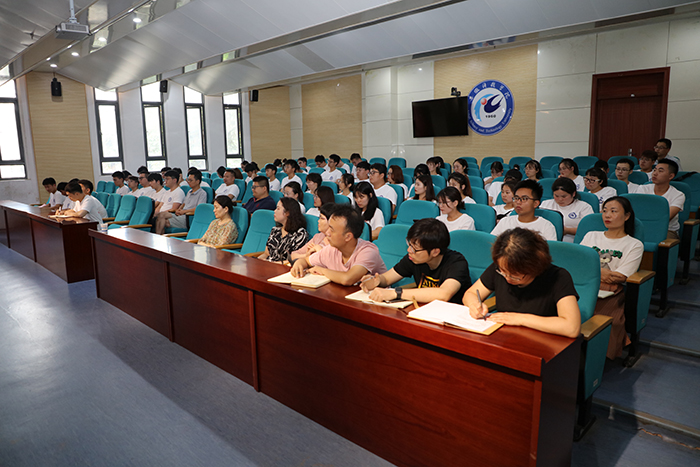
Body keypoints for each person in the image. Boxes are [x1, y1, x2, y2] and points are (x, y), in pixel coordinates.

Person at [463, 228, 581, 338]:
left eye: (515, 276)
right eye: (503, 272)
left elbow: (571, 328)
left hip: (543, 340)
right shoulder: (501, 267)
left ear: (534, 268)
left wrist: (520, 319)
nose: (507, 278)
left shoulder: (558, 277)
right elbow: (471, 293)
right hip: (504, 337)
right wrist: (474, 305)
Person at [580, 197, 643, 359]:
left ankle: (595, 358)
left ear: (627, 216)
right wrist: (603, 273)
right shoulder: (591, 236)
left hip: (610, 292)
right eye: (605, 211)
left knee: (603, 321)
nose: (607, 215)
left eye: (613, 211)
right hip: (583, 286)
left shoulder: (634, 244)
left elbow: (619, 277)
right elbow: (579, 265)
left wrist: (592, 271)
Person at [361, 218, 471, 304]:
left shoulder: (457, 262)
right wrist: (376, 280)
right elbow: (387, 278)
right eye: (409, 244)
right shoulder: (413, 258)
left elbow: (443, 294)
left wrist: (396, 293)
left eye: (415, 248)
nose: (409, 250)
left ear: (435, 252)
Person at [290, 204, 386, 285]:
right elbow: (306, 261)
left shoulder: (368, 251)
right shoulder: (332, 249)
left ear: (348, 237)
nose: (327, 233)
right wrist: (299, 264)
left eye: (332, 230)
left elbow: (347, 279)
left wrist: (322, 270)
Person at [491, 179, 557, 241]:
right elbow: (491, 243)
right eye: (516, 198)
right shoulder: (505, 222)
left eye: (524, 198)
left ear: (535, 203)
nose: (518, 202)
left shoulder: (546, 227)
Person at [635, 158, 685, 238]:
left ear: (671, 176)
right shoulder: (643, 189)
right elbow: (637, 210)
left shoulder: (678, 195)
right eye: (654, 170)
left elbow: (665, 218)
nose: (655, 173)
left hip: (666, 230)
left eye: (660, 171)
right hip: (642, 228)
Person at [541, 178, 594, 242]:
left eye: (564, 196)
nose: (560, 199)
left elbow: (589, 229)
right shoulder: (546, 204)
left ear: (573, 194)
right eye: (556, 196)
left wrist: (567, 230)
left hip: (573, 242)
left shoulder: (584, 207)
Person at [155, 169, 207, 234]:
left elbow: (199, 209)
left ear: (197, 181)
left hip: (188, 217)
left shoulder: (202, 193)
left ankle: (159, 236)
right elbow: (184, 204)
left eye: (191, 180)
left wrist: (184, 211)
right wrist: (179, 210)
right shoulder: (189, 192)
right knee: (161, 217)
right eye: (188, 180)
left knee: (162, 219)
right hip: (181, 215)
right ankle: (160, 236)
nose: (188, 182)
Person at [258, 198, 309, 262]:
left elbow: (293, 260)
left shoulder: (300, 234)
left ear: (287, 213)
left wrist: (270, 263)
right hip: (268, 264)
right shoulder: (275, 230)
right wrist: (257, 260)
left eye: (278, 208)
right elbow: (266, 254)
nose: (274, 211)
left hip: (283, 266)